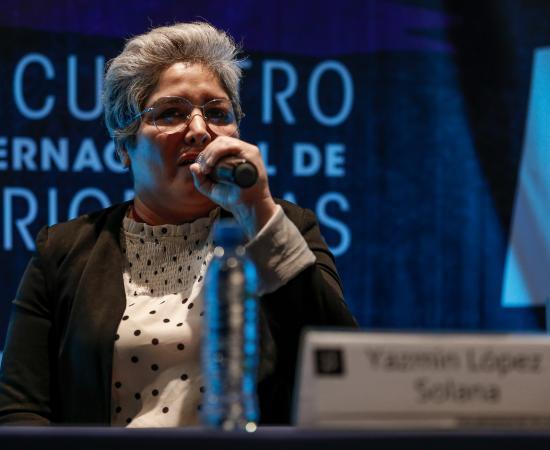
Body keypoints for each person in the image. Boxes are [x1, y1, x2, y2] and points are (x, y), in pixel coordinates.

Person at [0, 22, 357, 427]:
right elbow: (19, 410)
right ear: (125, 143)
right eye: (171, 113)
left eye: (217, 113)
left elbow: (342, 371)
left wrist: (258, 209)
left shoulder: (282, 226)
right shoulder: (64, 250)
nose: (200, 131)